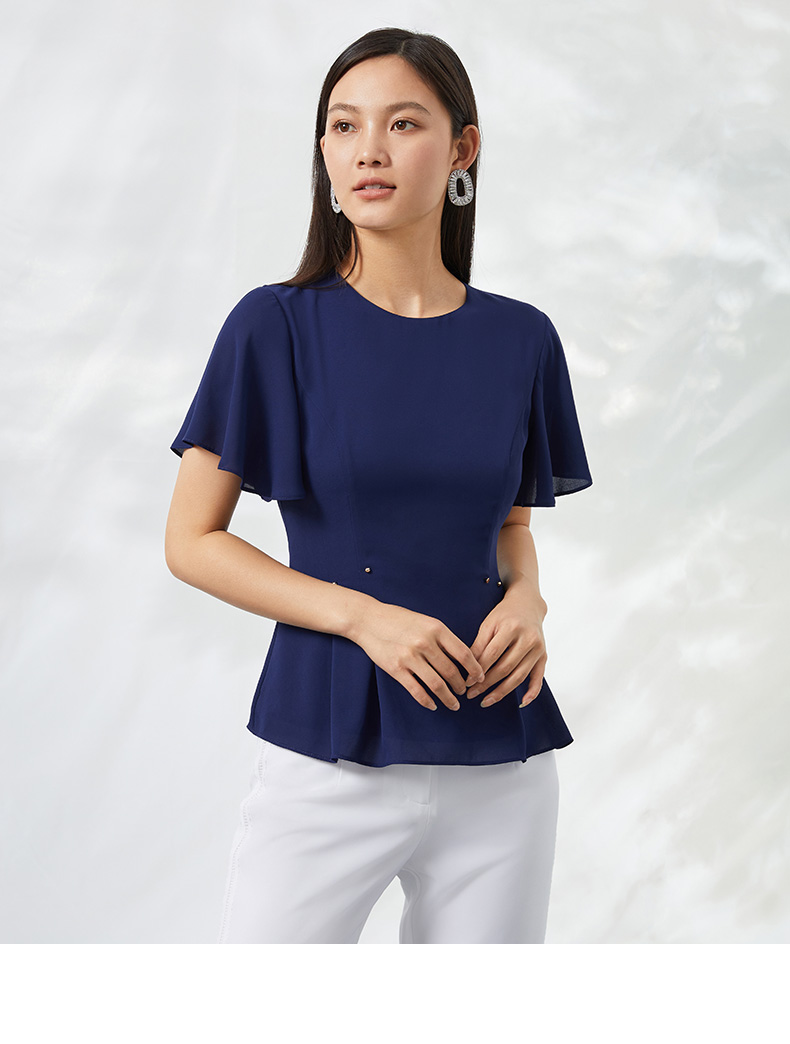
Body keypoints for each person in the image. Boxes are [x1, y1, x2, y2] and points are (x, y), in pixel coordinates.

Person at [164, 26, 593, 944]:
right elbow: (191, 543)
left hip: (501, 756)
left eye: (403, 123)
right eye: (343, 125)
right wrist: (364, 617)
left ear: (462, 148)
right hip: (329, 748)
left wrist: (529, 601)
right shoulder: (273, 327)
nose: (368, 150)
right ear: (323, 152)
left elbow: (510, 526)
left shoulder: (522, 339)